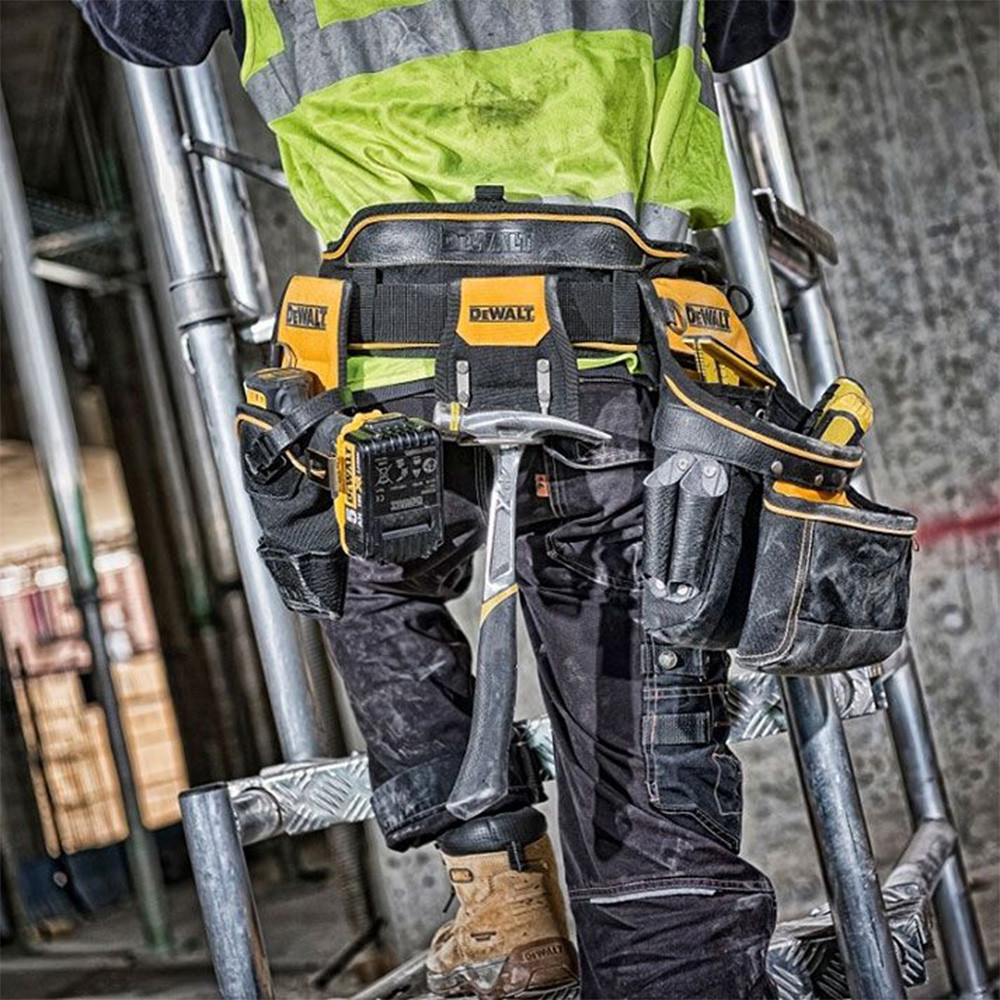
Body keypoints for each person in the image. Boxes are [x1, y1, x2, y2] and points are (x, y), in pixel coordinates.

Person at [80, 3, 794, 997]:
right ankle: (661, 938)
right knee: (650, 812)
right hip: (620, 367)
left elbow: (145, 30)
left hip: (396, 369)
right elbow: (750, 27)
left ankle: (494, 883)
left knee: (354, 567)